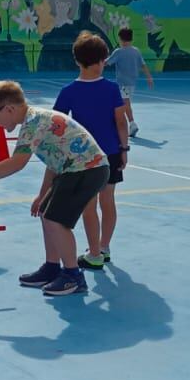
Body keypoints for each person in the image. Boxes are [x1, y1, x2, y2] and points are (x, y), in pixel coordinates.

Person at [0, 80, 109, 296]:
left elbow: (17, 163)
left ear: (9, 108)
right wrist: (42, 195)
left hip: (86, 170)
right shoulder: (35, 119)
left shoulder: (33, 123)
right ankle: (52, 267)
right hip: (77, 169)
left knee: (56, 220)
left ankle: (73, 276)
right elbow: (54, 161)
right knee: (46, 213)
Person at [54, 31, 128, 269]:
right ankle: (104, 247)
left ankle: (94, 252)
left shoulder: (68, 91)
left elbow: (59, 125)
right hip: (111, 152)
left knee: (89, 204)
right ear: (104, 59)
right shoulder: (112, 89)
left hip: (84, 157)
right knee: (109, 200)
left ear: (76, 60)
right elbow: (120, 122)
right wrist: (124, 148)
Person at [103, 27, 155, 136]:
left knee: (125, 103)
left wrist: (97, 61)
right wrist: (149, 77)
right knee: (121, 103)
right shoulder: (136, 51)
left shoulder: (118, 52)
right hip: (132, 83)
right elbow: (143, 65)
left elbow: (106, 63)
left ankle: (132, 124)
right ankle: (123, 124)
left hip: (123, 84)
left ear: (120, 39)